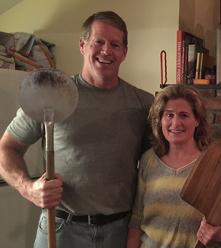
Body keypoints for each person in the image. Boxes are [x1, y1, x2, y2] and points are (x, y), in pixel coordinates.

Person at [0, 11, 153, 248]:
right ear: (82, 45)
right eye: (98, 42)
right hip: (60, 228)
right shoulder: (50, 94)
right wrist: (28, 188)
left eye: (115, 44)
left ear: (124, 52)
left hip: (119, 231)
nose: (106, 50)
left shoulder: (144, 104)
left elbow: (160, 166)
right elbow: (6, 148)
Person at [126, 85, 221, 248]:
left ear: (197, 120)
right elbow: (136, 219)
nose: (175, 123)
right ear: (161, 120)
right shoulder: (148, 160)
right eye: (169, 115)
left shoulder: (214, 161)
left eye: (184, 115)